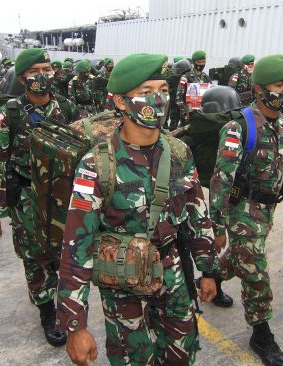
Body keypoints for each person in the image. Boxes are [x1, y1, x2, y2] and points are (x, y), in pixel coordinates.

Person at [58, 53, 219, 366]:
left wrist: (209, 271)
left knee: (182, 355)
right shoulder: (97, 164)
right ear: (120, 101)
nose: (158, 99)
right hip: (124, 285)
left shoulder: (178, 151)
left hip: (173, 275)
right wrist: (74, 325)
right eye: (146, 92)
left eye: (163, 90)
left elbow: (198, 214)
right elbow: (76, 247)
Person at [0, 48, 78, 347]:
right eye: (35, 72)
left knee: (67, 252)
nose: (43, 77)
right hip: (26, 196)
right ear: (22, 78)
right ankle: (47, 312)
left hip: (65, 195)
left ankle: (68, 303)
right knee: (34, 255)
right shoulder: (8, 114)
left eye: (47, 70)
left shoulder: (67, 107)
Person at [210, 54, 283, 366]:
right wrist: (218, 228)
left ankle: (209, 278)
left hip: (268, 210)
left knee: (240, 258)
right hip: (243, 211)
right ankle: (261, 334)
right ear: (260, 88)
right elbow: (220, 181)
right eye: (280, 84)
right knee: (255, 271)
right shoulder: (239, 128)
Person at [176, 50, 211, 126]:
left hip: (203, 114)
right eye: (199, 62)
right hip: (189, 114)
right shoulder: (186, 77)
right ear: (193, 62)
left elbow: (210, 95)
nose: (201, 64)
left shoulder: (206, 78)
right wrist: (185, 113)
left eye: (203, 62)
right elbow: (179, 99)